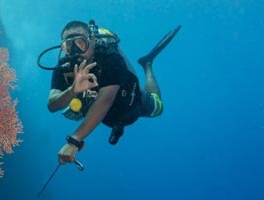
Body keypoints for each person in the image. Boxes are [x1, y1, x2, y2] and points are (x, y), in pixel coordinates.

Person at [46, 20, 181, 164]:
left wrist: (74, 141)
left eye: (80, 42)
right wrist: (72, 90)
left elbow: (105, 101)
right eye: (68, 45)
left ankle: (147, 64)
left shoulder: (111, 58)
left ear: (92, 39)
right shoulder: (64, 68)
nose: (75, 51)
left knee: (158, 108)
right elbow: (52, 105)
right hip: (107, 118)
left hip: (132, 104)